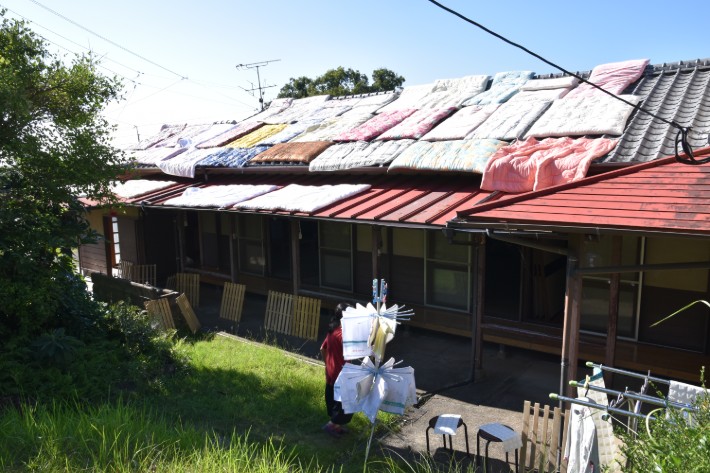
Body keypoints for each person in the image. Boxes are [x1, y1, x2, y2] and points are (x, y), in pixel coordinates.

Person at [320, 302, 354, 438]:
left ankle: (337, 426)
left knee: (335, 401)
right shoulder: (344, 334)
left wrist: (327, 364)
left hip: (331, 372)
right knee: (344, 404)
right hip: (341, 374)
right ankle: (331, 425)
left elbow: (322, 349)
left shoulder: (332, 330)